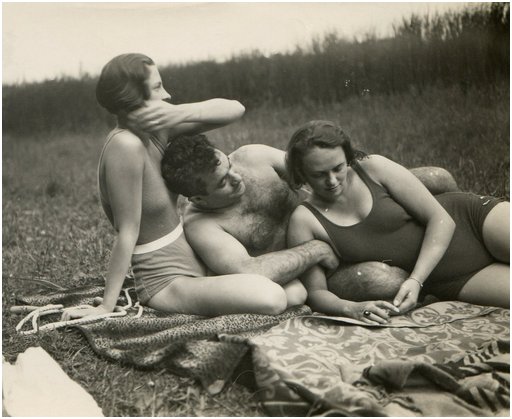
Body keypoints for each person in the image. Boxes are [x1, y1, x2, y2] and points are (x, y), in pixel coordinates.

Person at [62, 52, 309, 320]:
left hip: (195, 263)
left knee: (296, 292)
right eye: (157, 87)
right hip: (167, 280)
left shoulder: (156, 131)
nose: (167, 94)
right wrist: (106, 307)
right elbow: (127, 232)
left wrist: (178, 113)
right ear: (133, 97)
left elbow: (236, 109)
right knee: (273, 297)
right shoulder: (126, 145)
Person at [161, 134, 461, 308]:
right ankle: (438, 272)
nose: (236, 177)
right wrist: (314, 251)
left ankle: (457, 232)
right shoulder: (202, 226)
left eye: (228, 165)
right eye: (222, 183)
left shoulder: (252, 156)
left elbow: (316, 170)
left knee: (438, 178)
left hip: (337, 214)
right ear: (197, 199)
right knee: (384, 280)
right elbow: (250, 272)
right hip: (320, 269)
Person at [286, 120, 509, 324]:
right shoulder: (304, 220)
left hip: (474, 222)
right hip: (452, 279)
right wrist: (352, 308)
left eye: (338, 168)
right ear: (301, 172)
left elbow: (441, 218)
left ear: (347, 157)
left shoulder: (373, 169)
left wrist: (416, 280)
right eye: (319, 174)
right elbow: (316, 294)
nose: (332, 181)